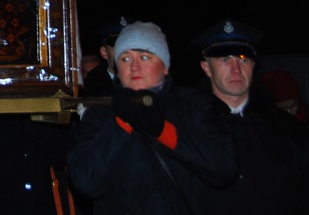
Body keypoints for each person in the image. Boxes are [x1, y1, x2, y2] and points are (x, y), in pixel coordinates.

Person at [67, 21, 237, 215]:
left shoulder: (194, 107)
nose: (134, 67)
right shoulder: (99, 114)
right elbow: (85, 182)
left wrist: (163, 130)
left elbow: (224, 168)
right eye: (125, 59)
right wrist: (122, 123)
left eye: (145, 57)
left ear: (164, 66)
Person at [195, 18, 309, 214]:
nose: (236, 69)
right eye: (225, 60)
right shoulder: (190, 128)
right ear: (206, 68)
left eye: (243, 59)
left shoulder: (289, 131)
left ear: (253, 65)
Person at [81, 15, 135, 97]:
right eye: (117, 45)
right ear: (104, 52)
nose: (125, 51)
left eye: (131, 45)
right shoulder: (91, 87)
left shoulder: (152, 82)